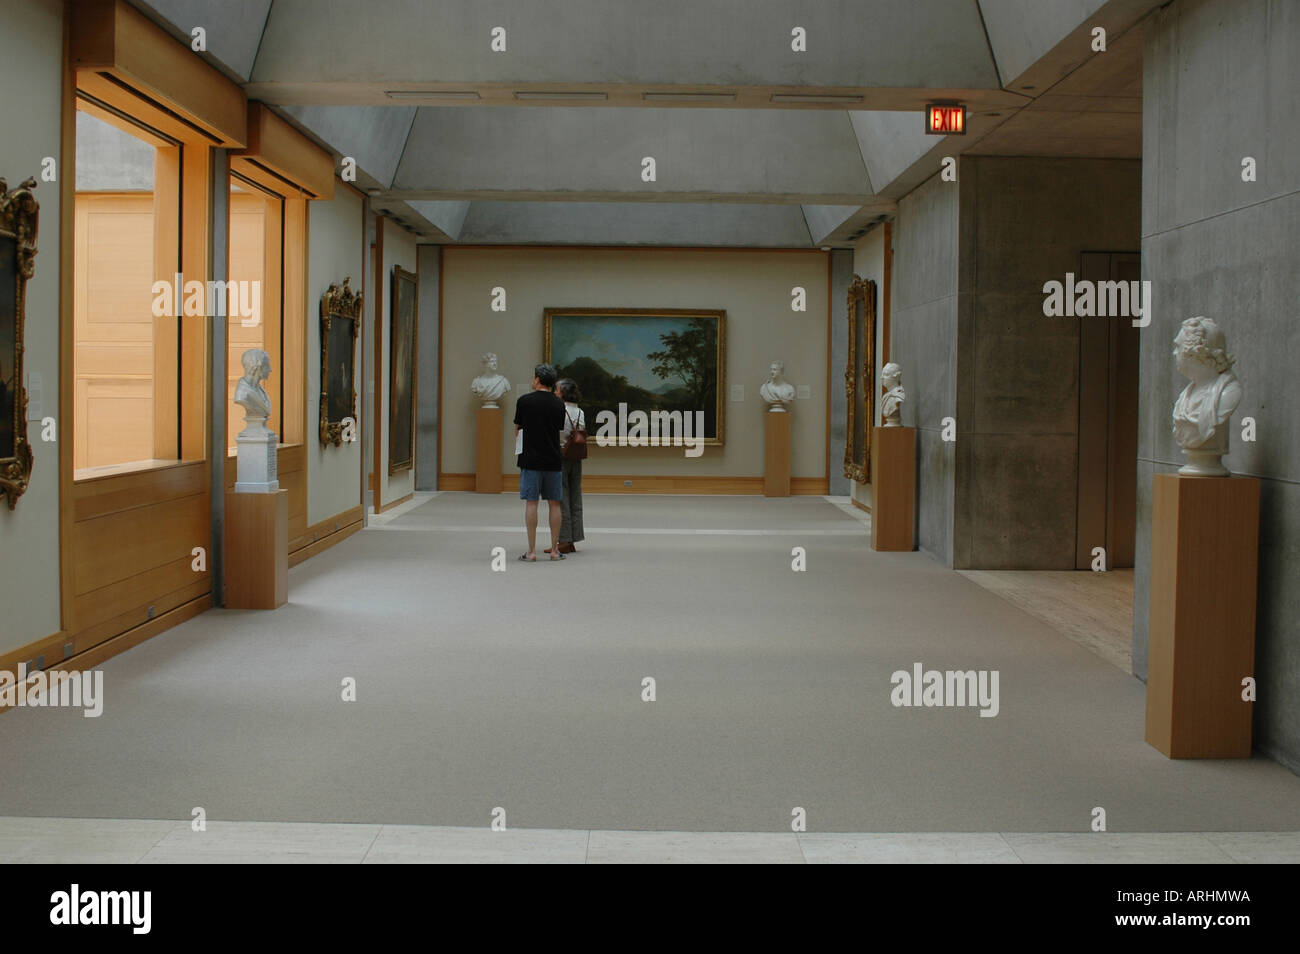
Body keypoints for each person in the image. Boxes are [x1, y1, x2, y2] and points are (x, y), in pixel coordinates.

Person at [513, 363, 567, 561]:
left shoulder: (524, 401)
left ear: (537, 379)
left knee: (532, 503)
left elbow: (518, 428)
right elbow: (558, 428)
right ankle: (554, 550)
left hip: (530, 459)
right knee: (554, 503)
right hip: (552, 458)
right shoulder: (558, 403)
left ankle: (532, 551)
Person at [546, 378, 585, 555]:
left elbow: (557, 434)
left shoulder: (558, 410)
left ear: (562, 392)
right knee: (575, 497)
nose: (555, 392)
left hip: (560, 457)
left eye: (557, 390)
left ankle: (563, 540)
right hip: (575, 457)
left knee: (561, 499)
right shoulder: (580, 411)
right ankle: (573, 538)